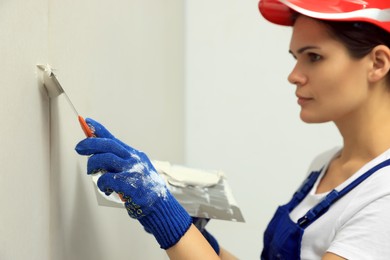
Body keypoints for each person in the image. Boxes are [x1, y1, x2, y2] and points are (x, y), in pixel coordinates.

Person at [75, 0, 390, 259]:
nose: (294, 75)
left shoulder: (384, 198)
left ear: (377, 63)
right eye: (296, 58)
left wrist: (162, 212)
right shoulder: (327, 165)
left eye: (314, 57)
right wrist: (193, 234)